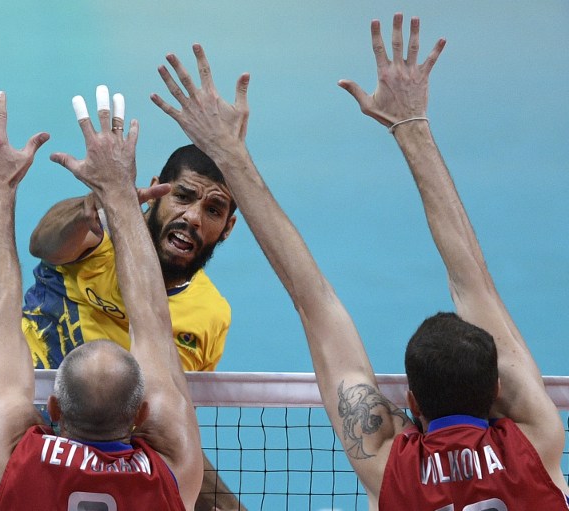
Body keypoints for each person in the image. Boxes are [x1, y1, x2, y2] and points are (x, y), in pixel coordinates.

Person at [150, 14, 569, 510]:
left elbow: (316, 304)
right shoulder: (538, 444)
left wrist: (230, 155)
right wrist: (413, 126)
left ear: (409, 402)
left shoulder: (390, 466)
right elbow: (474, 284)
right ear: (497, 388)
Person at [0, 88, 202, 509]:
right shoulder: (173, 475)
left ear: (52, 407)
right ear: (140, 414)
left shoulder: (15, 463)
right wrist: (119, 192)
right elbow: (153, 319)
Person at [18, 92, 245, 510]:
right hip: (35, 451)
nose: (194, 217)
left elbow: (166, 428)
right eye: (183, 196)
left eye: (213, 210)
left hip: (117, 480)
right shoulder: (98, 237)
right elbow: (42, 242)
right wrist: (93, 206)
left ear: (228, 228)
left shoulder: (211, 316)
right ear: (157, 191)